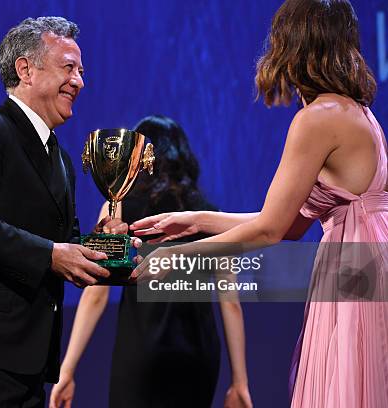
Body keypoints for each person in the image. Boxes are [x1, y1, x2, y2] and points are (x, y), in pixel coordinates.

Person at [131, 1, 387, 407]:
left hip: (354, 276)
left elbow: (270, 228)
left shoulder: (318, 118)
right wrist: (196, 219)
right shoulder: (358, 112)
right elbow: (288, 224)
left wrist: (177, 258)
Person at [0, 17, 128, 408]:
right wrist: (52, 254)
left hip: (29, 356)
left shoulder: (62, 159)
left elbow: (62, 246)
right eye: (69, 67)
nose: (79, 81)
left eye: (81, 71)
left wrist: (104, 243)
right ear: (26, 69)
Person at [49, 115, 252, 408]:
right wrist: (240, 381)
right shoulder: (210, 216)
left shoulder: (119, 209)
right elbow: (230, 300)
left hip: (141, 350)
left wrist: (67, 369)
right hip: (197, 355)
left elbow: (96, 294)